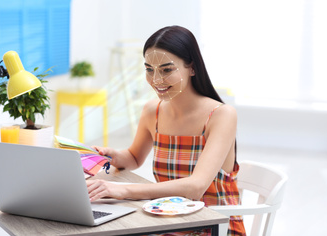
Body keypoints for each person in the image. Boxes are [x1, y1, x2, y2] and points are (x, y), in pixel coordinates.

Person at [87, 25, 246, 236]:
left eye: (167, 69)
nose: (156, 80)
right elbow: (134, 157)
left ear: (192, 67)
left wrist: (123, 190)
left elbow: (195, 187)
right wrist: (113, 155)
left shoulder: (221, 115)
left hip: (215, 226)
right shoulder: (152, 110)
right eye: (149, 69)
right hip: (170, 222)